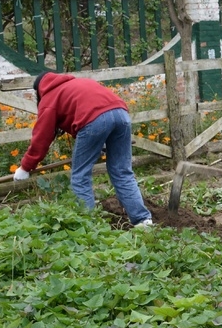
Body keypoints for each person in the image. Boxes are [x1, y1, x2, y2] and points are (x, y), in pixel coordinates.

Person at [14, 72, 153, 227]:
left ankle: (90, 226)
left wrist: (26, 167)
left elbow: (42, 137)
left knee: (80, 177)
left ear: (39, 90)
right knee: (122, 171)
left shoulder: (49, 98)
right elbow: (104, 111)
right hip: (121, 114)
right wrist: (101, 144)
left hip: (95, 120)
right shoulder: (77, 84)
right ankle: (143, 221)